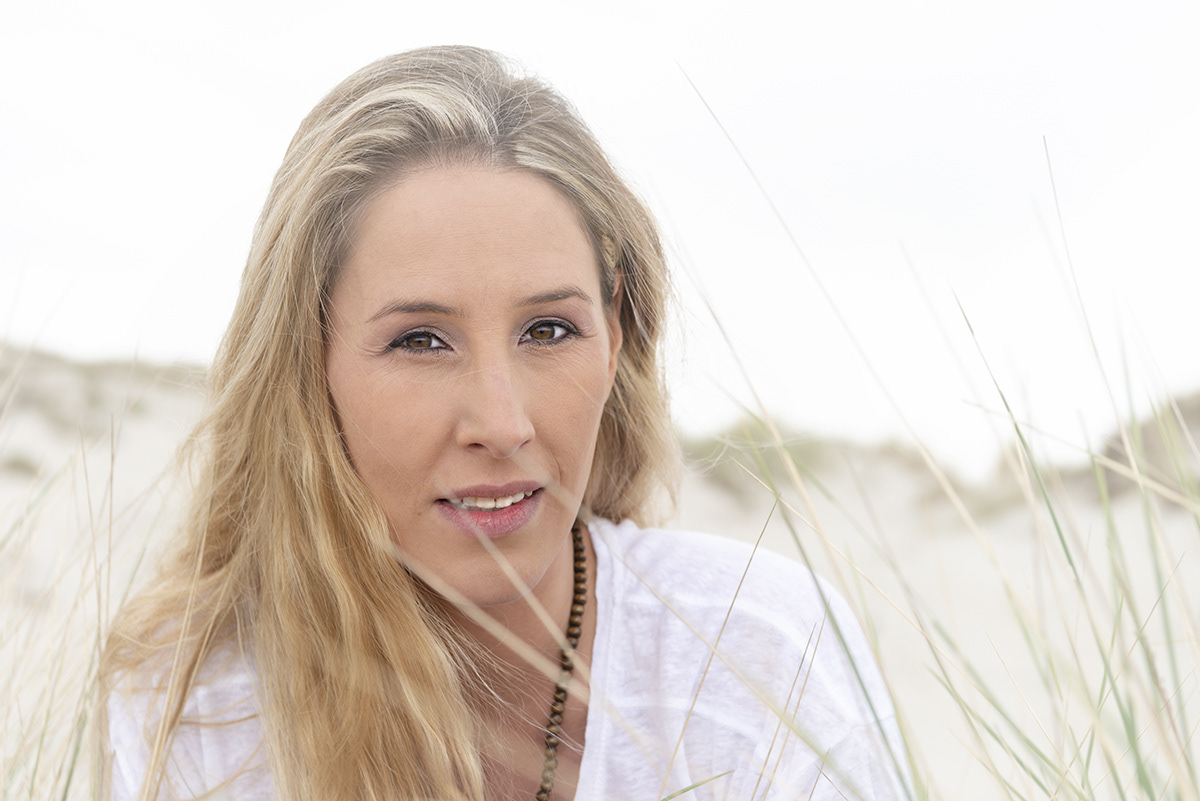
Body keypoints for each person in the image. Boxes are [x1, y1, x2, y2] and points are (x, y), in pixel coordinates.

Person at [100, 46, 910, 801]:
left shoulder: (757, 652)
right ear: (310, 363)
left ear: (614, 333)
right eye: (421, 340)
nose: (502, 422)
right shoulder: (206, 705)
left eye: (548, 330)